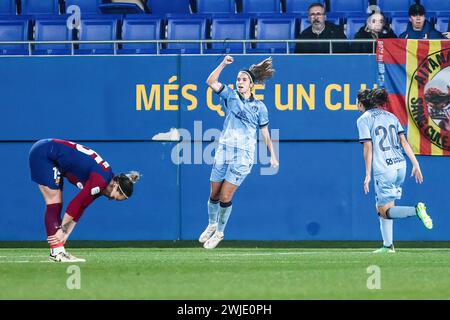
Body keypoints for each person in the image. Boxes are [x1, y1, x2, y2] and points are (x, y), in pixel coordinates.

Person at [200, 55, 279, 249]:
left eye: (244, 79)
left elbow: (265, 133)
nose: (240, 82)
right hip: (224, 150)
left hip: (243, 156)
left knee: (226, 197)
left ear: (251, 85)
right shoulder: (230, 95)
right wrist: (222, 64)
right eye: (238, 79)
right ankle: (211, 224)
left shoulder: (260, 107)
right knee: (214, 194)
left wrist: (273, 155)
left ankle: (219, 232)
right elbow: (210, 81)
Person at [29, 138, 141, 262]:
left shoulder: (105, 182)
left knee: (56, 202)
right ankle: (57, 252)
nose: (110, 199)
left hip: (50, 152)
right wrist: (62, 229)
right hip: (45, 153)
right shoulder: (100, 181)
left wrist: (66, 233)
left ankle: (58, 251)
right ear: (115, 185)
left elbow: (82, 206)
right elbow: (76, 203)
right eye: (114, 197)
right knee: (54, 201)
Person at [356, 88, 433, 253]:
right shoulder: (391, 116)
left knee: (383, 212)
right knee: (386, 204)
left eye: (357, 102)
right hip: (400, 166)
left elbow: (368, 147)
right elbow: (404, 142)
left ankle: (416, 210)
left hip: (384, 169)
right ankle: (388, 246)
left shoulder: (364, 119)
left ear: (362, 103)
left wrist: (368, 174)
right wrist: (416, 164)